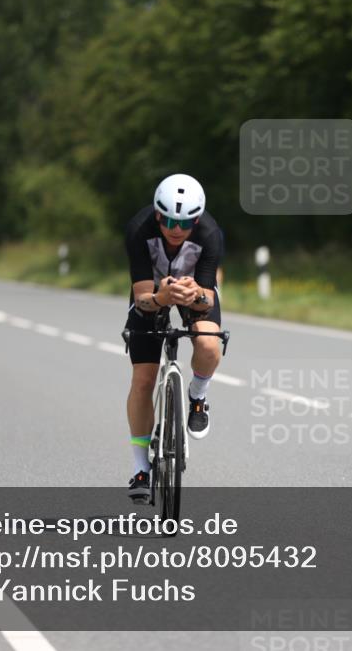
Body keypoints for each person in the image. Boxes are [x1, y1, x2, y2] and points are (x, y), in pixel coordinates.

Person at [123, 174, 223, 503]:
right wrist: (163, 297)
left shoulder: (210, 234)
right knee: (143, 379)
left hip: (193, 289)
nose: (175, 228)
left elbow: (208, 297)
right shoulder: (138, 230)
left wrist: (195, 295)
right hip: (153, 291)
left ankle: (198, 396)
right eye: (167, 220)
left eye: (184, 222)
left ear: (197, 219)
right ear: (156, 215)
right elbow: (141, 296)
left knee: (209, 344)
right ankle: (140, 469)